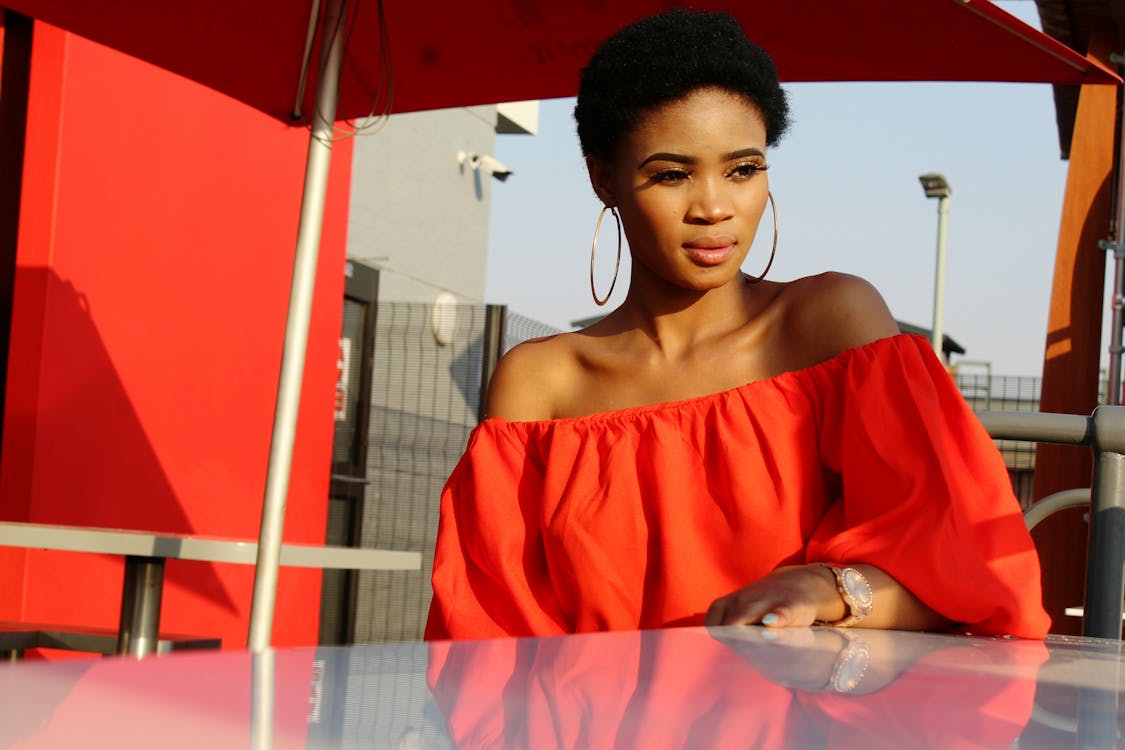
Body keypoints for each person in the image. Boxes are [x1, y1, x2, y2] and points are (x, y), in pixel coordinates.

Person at [424, 8, 1050, 641]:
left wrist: (826, 588)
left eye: (743, 169)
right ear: (603, 179)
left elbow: (970, 570)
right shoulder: (539, 384)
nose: (716, 207)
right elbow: (486, 637)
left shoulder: (830, 326)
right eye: (671, 174)